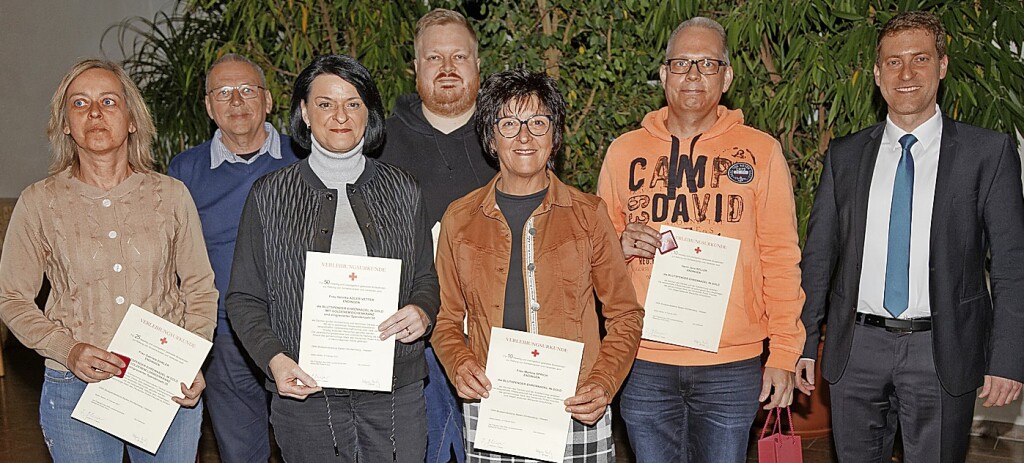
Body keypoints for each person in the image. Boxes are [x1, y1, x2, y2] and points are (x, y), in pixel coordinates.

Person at [798, 10, 1024, 462]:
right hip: (855, 349)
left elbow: (1013, 265)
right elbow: (819, 257)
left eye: (919, 59)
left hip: (942, 351)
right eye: (893, 62)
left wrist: (1007, 358)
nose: (906, 73)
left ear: (941, 65)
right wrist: (803, 342)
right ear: (878, 74)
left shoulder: (988, 153)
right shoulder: (845, 156)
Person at [596, 16, 806, 462]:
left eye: (707, 63)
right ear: (663, 74)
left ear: (726, 76)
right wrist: (617, 243)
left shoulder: (761, 152)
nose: (693, 75)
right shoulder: (623, 152)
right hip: (643, 358)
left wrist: (784, 354)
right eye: (681, 63)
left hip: (730, 363)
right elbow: (594, 254)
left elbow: (781, 258)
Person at [0, 59, 217, 462]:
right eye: (80, 104)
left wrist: (188, 359)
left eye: (108, 102)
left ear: (132, 119)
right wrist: (68, 349)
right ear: (65, 124)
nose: (95, 113)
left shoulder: (170, 196)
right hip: (73, 387)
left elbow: (201, 289)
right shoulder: (39, 203)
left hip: (163, 384)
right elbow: (11, 297)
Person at [226, 54, 438, 463]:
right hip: (304, 391)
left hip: (394, 391)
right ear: (304, 112)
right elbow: (244, 298)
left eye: (353, 103)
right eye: (325, 103)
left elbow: (425, 277)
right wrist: (275, 361)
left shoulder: (403, 189)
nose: (340, 115)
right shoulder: (270, 196)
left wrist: (422, 310)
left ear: (368, 113)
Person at [432, 68, 645, 463]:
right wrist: (459, 362)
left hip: (577, 404)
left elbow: (625, 315)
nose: (525, 136)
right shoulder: (459, 219)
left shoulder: (588, 215)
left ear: (555, 135)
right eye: (509, 123)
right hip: (494, 404)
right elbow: (445, 319)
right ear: (490, 138)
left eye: (538, 122)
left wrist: (604, 382)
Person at [377, 9, 497, 463]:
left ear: (477, 65)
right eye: (434, 57)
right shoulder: (379, 145)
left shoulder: (508, 141)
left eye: (459, 56)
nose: (447, 68)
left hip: (491, 340)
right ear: (415, 67)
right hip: (410, 346)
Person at [167, 53, 299, 462]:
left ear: (269, 101)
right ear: (209, 107)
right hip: (225, 337)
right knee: (241, 452)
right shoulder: (185, 170)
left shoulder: (306, 159)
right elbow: (171, 258)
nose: (237, 101)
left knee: (310, 447)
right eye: (224, 93)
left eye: (247, 90)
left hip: (298, 332)